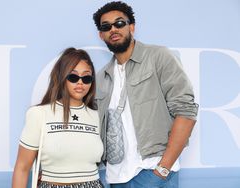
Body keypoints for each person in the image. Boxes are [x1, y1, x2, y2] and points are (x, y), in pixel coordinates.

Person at [93, 1, 199, 188]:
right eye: (106, 26)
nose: (113, 29)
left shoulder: (158, 57)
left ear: (131, 27)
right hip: (116, 179)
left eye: (119, 23)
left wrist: (162, 169)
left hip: (153, 173)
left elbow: (186, 112)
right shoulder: (101, 77)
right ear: (101, 35)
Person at [12, 47, 104, 188]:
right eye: (73, 77)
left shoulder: (97, 116)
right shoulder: (39, 114)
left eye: (86, 78)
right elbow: (22, 168)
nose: (80, 83)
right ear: (62, 77)